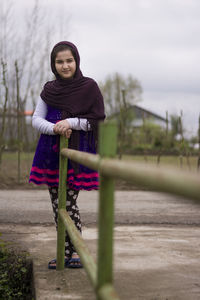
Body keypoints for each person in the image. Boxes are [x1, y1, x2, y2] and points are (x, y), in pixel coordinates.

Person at [29, 41, 105, 269]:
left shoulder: (89, 87)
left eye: (69, 61)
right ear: (54, 64)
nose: (65, 66)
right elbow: (36, 119)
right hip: (51, 154)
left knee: (68, 203)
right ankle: (67, 252)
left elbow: (96, 121)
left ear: (76, 61)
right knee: (57, 204)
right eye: (59, 62)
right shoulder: (49, 90)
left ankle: (75, 253)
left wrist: (70, 122)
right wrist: (55, 128)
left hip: (76, 153)